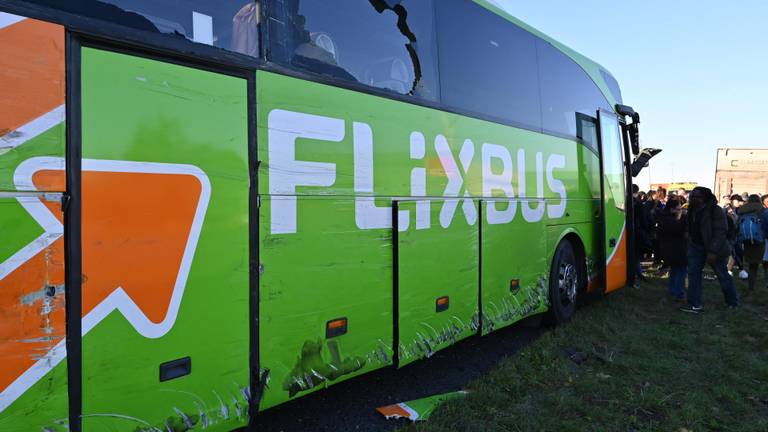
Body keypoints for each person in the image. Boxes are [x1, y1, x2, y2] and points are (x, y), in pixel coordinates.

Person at [681, 187, 740, 313]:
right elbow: (689, 224)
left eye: (697, 196)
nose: (694, 199)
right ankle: (694, 304)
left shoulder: (715, 210)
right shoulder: (692, 209)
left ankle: (732, 302)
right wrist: (688, 234)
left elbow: (720, 231)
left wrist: (713, 251)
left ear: (705, 197)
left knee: (722, 275)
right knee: (693, 275)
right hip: (695, 246)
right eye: (693, 196)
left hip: (714, 248)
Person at [657, 197, 687, 301]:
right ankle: (679, 293)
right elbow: (678, 230)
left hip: (671, 250)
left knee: (675, 271)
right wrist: (679, 218)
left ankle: (673, 291)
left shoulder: (664, 217)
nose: (681, 211)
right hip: (676, 250)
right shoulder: (669, 220)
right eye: (678, 209)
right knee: (680, 272)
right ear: (672, 209)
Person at [737, 194, 768, 292]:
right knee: (766, 265)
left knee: (752, 266)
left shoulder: (742, 211)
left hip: (747, 241)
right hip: (761, 241)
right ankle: (766, 285)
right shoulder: (762, 211)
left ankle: (751, 288)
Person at [724, 194, 745, 276]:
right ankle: (734, 269)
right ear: (732, 201)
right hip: (729, 234)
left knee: (737, 252)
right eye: (738, 201)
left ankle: (737, 269)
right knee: (733, 252)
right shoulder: (727, 209)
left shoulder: (738, 210)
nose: (739, 202)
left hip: (736, 234)